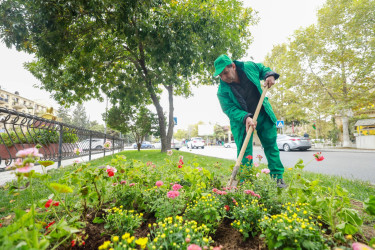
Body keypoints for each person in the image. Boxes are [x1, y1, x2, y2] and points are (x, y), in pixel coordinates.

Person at [214, 54, 287, 188]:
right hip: (241, 121)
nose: (223, 77)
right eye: (220, 75)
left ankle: (277, 179)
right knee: (244, 152)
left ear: (233, 66)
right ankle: (245, 183)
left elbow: (263, 69)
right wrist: (245, 117)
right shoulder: (222, 91)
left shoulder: (248, 67)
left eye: (225, 72)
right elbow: (229, 109)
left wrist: (269, 75)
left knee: (271, 145)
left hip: (262, 112)